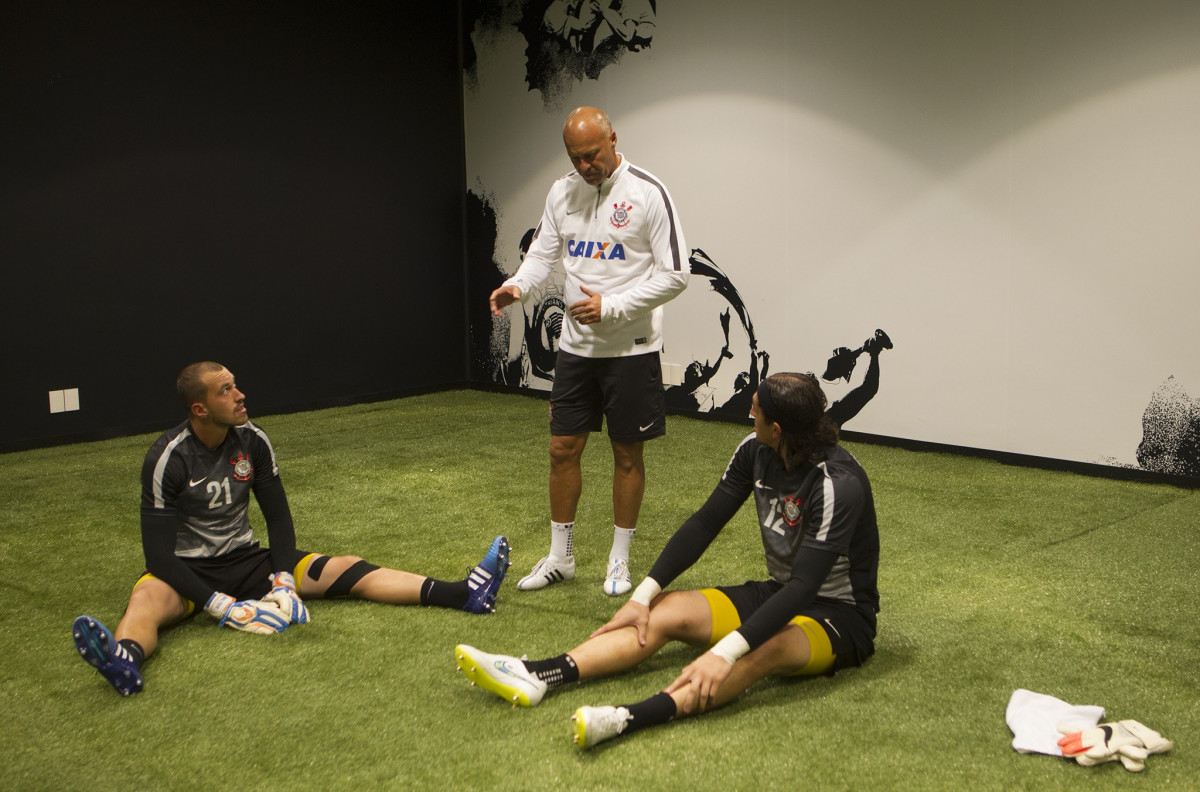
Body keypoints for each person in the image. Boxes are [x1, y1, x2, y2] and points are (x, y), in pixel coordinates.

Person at [454, 372, 880, 749]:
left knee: (762, 650)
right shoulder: (755, 450)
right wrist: (643, 595)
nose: (750, 418)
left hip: (839, 615)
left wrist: (725, 652)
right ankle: (537, 675)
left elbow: (807, 587)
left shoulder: (836, 484)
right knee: (664, 610)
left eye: (755, 413)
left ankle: (626, 718)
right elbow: (706, 523)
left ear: (778, 427)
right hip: (780, 591)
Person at [72, 361, 510, 697]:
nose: (241, 395)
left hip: (250, 562)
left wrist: (282, 578)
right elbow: (158, 557)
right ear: (200, 408)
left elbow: (278, 519)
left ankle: (463, 594)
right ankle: (124, 662)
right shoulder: (168, 457)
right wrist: (219, 606)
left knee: (347, 567)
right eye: (227, 391)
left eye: (236, 384)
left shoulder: (253, 440)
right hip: (188, 573)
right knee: (144, 599)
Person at [489, 106, 688, 596]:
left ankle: (618, 562)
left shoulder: (648, 193)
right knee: (562, 449)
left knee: (626, 453)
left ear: (613, 140)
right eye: (575, 158)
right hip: (576, 351)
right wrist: (519, 286)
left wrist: (614, 305)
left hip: (632, 349)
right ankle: (561, 557)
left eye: (592, 155)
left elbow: (676, 273)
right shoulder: (562, 191)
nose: (584, 167)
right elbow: (543, 253)